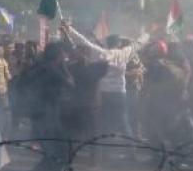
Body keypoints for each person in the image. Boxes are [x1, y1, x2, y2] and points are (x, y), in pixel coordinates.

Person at [61, 24, 149, 163]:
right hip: (119, 93)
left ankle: (100, 154)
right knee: (124, 122)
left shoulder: (102, 53)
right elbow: (138, 44)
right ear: (118, 43)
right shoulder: (124, 53)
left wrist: (70, 30)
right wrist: (147, 34)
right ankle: (131, 153)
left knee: (101, 124)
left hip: (103, 93)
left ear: (108, 43)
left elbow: (86, 42)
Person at [16, 42, 74, 171]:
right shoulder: (53, 69)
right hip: (47, 118)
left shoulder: (38, 66)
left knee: (54, 154)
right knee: (58, 154)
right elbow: (70, 83)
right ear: (57, 55)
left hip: (41, 116)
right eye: (63, 54)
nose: (65, 56)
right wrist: (64, 66)